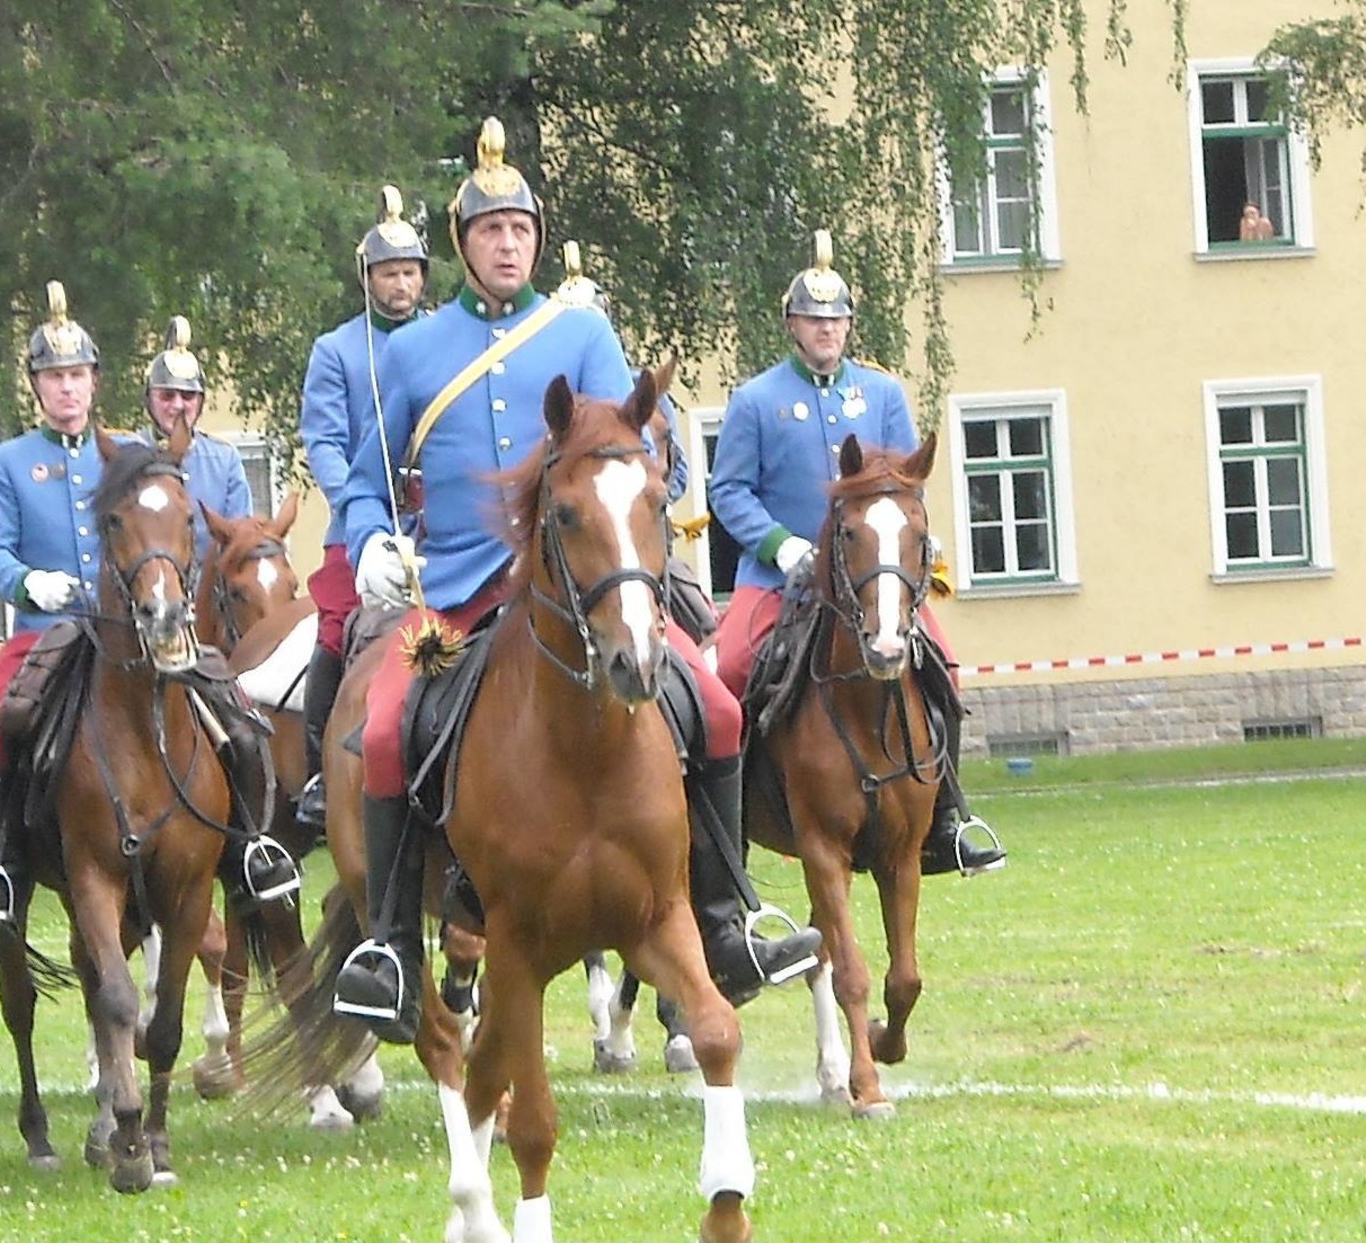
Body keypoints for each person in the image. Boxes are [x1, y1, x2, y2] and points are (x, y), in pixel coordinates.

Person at [328, 118, 821, 1043]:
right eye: (489, 230)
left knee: (713, 707)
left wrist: (649, 492)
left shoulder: (584, 329)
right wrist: (369, 541)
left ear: (537, 242)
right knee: (386, 725)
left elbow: (646, 433)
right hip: (466, 593)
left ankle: (728, 917)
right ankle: (391, 949)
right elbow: (367, 476)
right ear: (463, 246)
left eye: (521, 229)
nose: (508, 243)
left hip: (588, 589)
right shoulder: (412, 350)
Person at [0, 285, 296, 929]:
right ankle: (1, 865)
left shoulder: (129, 456)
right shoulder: (9, 463)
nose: (67, 389)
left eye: (77, 376)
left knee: (237, 714)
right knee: (7, 723)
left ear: (94, 382)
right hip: (48, 631)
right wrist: (33, 585)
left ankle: (253, 846)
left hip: (148, 630)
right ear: (37, 386)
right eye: (54, 377)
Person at [706, 232, 1006, 877]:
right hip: (778, 578)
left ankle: (946, 818)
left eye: (836, 319)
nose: (827, 330)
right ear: (792, 325)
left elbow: (906, 482)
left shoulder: (882, 395)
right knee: (728, 675)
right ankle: (727, 831)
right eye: (814, 319)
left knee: (943, 669)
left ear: (849, 325)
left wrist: (911, 538)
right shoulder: (755, 400)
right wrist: (778, 544)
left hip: (871, 577)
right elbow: (727, 489)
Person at [295, 184, 430, 830]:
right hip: (361, 526)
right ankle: (323, 770)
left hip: (440, 524)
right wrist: (360, 507)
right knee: (335, 629)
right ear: (367, 277)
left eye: (409, 271)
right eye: (387, 272)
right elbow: (322, 439)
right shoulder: (337, 349)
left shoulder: (445, 341)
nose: (399, 284)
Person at [135, 315, 254, 553]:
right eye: (167, 396)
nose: (178, 405)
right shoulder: (129, 453)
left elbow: (240, 541)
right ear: (150, 399)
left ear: (200, 402)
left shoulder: (224, 460)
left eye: (188, 397)